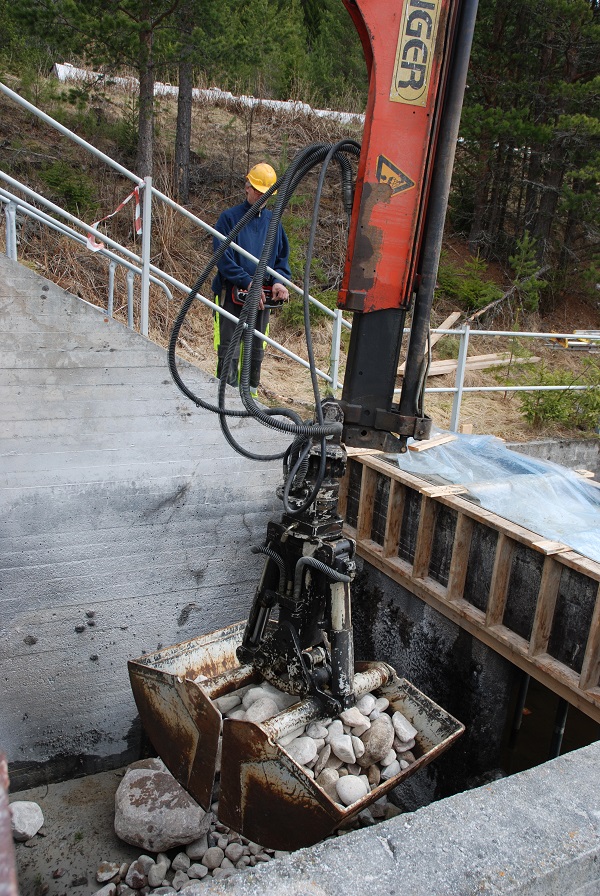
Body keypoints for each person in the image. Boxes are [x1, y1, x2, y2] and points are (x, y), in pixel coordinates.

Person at [211, 163, 291, 396]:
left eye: (265, 192)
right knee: (229, 347)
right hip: (232, 293)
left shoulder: (273, 222)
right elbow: (223, 258)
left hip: (262, 296)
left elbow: (282, 258)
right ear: (247, 187)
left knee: (256, 349)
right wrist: (247, 282)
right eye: (256, 190)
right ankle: (225, 399)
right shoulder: (229, 218)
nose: (260, 196)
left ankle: (250, 397)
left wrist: (279, 281)